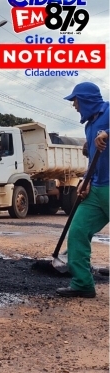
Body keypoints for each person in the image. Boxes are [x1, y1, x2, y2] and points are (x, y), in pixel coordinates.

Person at [57, 82, 109, 298]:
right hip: (97, 188)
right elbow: (94, 160)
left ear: (86, 99)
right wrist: (85, 180)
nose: (74, 106)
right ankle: (83, 283)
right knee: (77, 231)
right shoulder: (88, 126)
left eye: (75, 101)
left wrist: (107, 133)